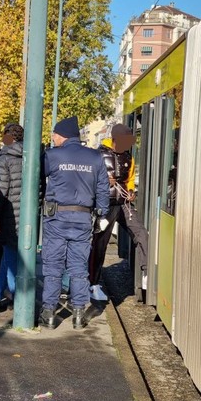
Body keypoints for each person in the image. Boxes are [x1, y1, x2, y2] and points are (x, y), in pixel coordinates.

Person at [38, 116, 109, 330]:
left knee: (53, 266)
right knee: (79, 267)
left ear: (62, 136)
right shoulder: (95, 157)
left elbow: (38, 181)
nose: (53, 138)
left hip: (56, 218)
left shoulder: (52, 155)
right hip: (83, 218)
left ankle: (49, 313)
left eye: (54, 135)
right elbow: (102, 189)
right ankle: (79, 314)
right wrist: (102, 214)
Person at [88, 123, 149, 298]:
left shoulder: (128, 158)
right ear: (115, 140)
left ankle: (146, 273)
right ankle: (93, 284)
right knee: (99, 244)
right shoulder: (97, 155)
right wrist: (103, 181)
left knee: (141, 233)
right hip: (104, 205)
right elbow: (89, 179)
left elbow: (129, 180)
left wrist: (131, 192)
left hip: (123, 204)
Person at [0, 123, 24, 312]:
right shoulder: (33, 154)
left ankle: (17, 301)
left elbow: (2, 190)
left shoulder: (4, 157)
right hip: (26, 213)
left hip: (9, 213)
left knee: (10, 257)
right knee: (9, 257)